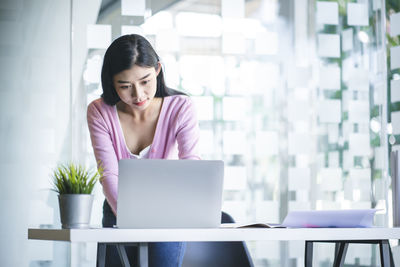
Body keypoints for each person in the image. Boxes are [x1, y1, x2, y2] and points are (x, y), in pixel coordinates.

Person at [87, 34, 200, 267]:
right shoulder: (99, 111)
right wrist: (131, 219)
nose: (138, 95)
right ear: (111, 82)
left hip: (168, 215)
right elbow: (108, 175)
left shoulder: (181, 106)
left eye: (145, 81)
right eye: (125, 86)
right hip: (118, 210)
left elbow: (192, 165)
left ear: (158, 69)